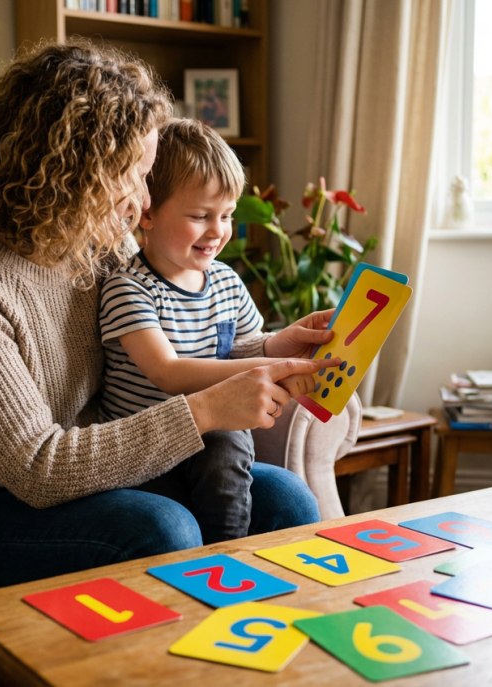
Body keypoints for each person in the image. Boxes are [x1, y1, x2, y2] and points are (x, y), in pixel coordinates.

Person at [0, 40, 339, 588]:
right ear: (75, 171)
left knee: (287, 499)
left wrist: (271, 349)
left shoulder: (96, 239)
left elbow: (182, 335)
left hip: (105, 469)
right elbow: (38, 468)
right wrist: (203, 412)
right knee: (164, 530)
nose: (143, 198)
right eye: (135, 173)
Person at [99, 119, 324, 545]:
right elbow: (167, 372)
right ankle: (222, 557)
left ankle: (231, 552)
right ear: (147, 213)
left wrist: (283, 343)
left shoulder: (225, 281)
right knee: (225, 439)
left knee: (230, 442)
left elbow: (241, 348)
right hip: (147, 454)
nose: (218, 231)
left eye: (227, 215)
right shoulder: (127, 287)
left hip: (211, 447)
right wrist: (278, 365)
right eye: (201, 216)